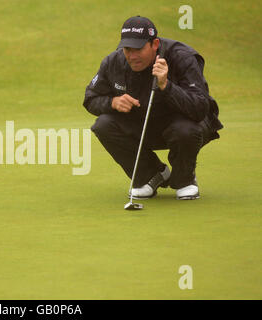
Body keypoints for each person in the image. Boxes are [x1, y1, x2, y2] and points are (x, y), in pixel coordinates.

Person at [83, 16, 223, 200]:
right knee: (103, 124)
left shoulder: (182, 57)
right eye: (127, 49)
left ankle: (184, 180)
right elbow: (90, 98)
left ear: (154, 44)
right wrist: (113, 103)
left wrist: (167, 85)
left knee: (185, 129)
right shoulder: (113, 62)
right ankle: (151, 175)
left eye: (138, 49)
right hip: (144, 125)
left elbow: (200, 109)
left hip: (185, 125)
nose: (132, 56)